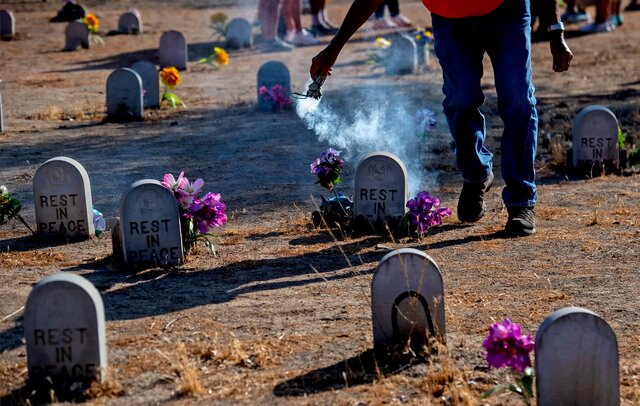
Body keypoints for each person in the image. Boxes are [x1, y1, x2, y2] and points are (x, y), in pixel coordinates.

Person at [310, 0, 573, 237]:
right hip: (449, 18)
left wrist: (555, 30)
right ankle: (476, 174)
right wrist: (335, 46)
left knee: (518, 101)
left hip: (507, 11)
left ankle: (521, 201)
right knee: (460, 100)